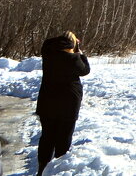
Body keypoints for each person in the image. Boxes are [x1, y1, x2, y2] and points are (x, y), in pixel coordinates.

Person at [35, 31, 90, 175]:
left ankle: (41, 169)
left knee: (47, 137)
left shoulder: (48, 52)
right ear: (72, 45)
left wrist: (64, 39)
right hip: (68, 104)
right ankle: (57, 170)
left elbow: (48, 42)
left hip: (47, 103)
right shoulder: (72, 58)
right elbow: (85, 70)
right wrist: (79, 51)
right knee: (63, 138)